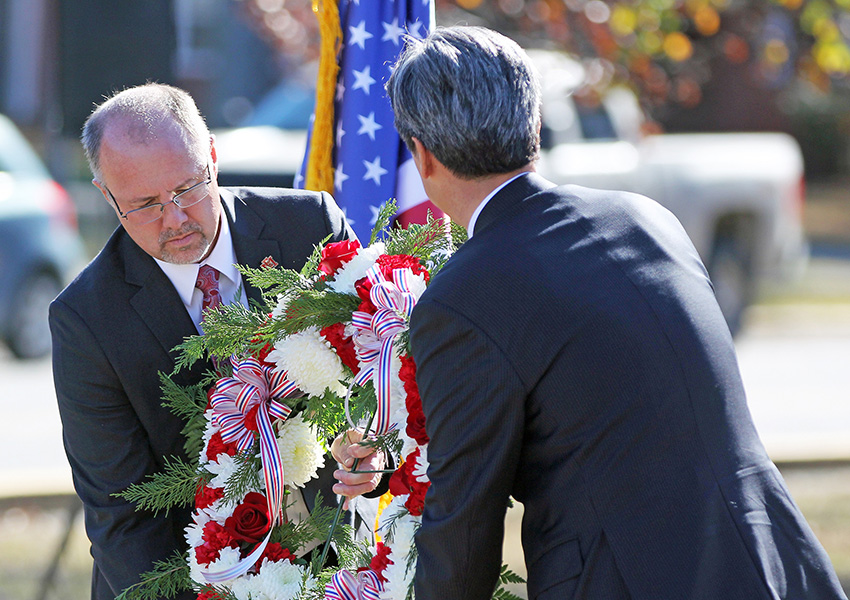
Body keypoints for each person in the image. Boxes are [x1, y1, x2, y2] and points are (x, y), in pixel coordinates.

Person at [386, 26, 848, 600]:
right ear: (531, 124)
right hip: (774, 557)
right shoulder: (647, 219)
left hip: (629, 578)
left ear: (422, 156)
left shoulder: (465, 295)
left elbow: (465, 522)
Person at [49, 83, 384, 600]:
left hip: (336, 566)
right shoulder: (87, 320)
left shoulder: (310, 227)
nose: (176, 219)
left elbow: (382, 382)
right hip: (183, 582)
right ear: (105, 195)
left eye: (187, 189)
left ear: (212, 157)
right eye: (145, 205)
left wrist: (373, 456)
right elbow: (124, 521)